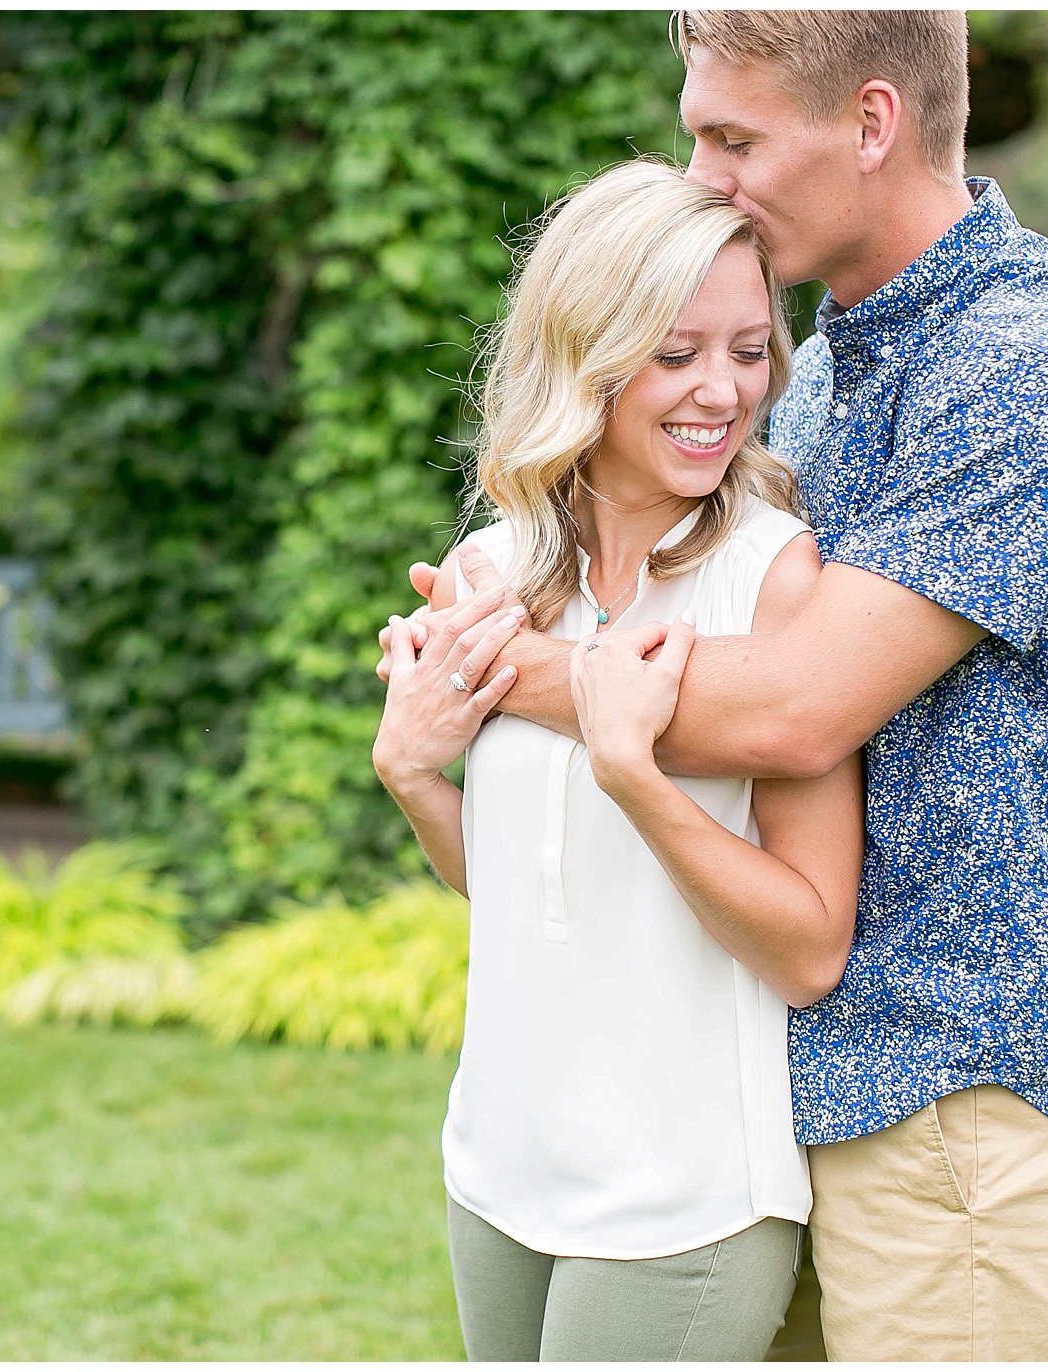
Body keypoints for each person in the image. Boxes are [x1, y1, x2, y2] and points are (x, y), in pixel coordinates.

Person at [384, 10, 1048, 1361]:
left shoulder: (1034, 367)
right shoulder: (825, 372)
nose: (700, 173)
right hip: (779, 1081)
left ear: (871, 123)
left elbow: (801, 704)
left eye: (731, 136)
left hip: (952, 1093)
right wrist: (430, 752)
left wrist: (489, 666)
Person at [372, 158, 864, 1362]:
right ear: (584, 355)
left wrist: (635, 773)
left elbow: (807, 946)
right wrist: (415, 775)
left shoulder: (773, 578)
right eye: (676, 352)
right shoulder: (492, 571)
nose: (722, 391)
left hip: (680, 1197)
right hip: (497, 1164)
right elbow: (521, 891)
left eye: (748, 350)